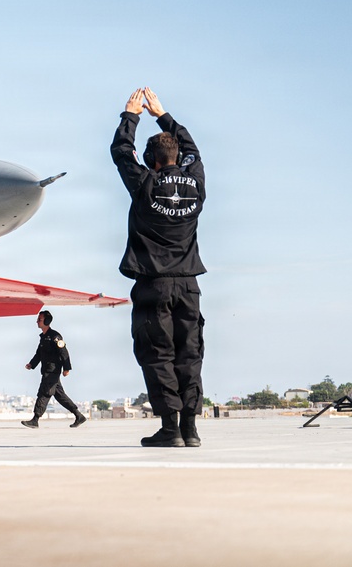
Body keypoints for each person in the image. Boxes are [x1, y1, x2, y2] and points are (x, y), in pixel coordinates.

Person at [111, 87, 206, 448]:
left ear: (151, 159)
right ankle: (191, 429)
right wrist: (162, 115)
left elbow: (121, 152)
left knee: (157, 354)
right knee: (190, 354)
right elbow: (193, 150)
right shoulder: (195, 183)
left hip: (153, 284)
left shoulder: (145, 183)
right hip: (189, 285)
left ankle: (170, 428)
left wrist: (130, 116)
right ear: (178, 156)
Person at [21, 310, 88, 429]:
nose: (37, 321)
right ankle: (79, 416)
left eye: (40, 319)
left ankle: (35, 420)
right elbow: (39, 354)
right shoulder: (43, 337)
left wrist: (66, 368)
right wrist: (31, 364)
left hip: (52, 371)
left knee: (44, 393)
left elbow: (63, 352)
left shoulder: (55, 336)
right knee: (60, 396)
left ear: (47, 321)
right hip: (47, 370)